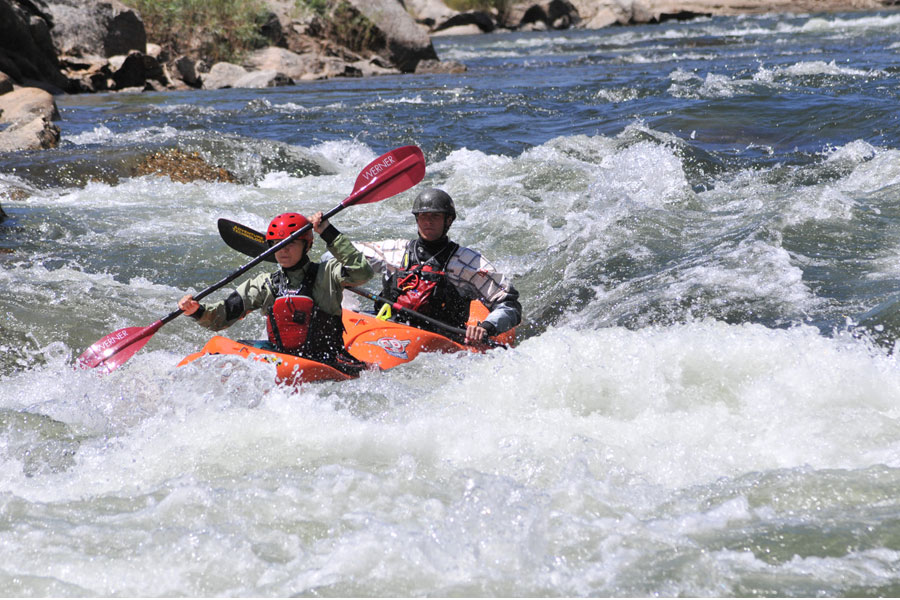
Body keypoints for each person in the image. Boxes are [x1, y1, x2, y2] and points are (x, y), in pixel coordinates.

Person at [178, 211, 374, 375]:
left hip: (326, 359)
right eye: (278, 244)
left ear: (307, 245)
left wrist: (327, 232)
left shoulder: (327, 273)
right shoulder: (265, 283)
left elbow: (363, 272)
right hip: (281, 358)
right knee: (226, 351)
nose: (283, 250)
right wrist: (196, 310)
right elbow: (223, 316)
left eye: (291, 243)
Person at [354, 188, 521, 345]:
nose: (427, 222)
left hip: (440, 341)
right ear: (417, 218)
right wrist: (326, 229)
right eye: (423, 216)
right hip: (389, 329)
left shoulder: (467, 262)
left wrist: (487, 327)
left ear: (448, 220)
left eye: (434, 216)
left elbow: (509, 304)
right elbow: (344, 255)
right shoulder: (396, 250)